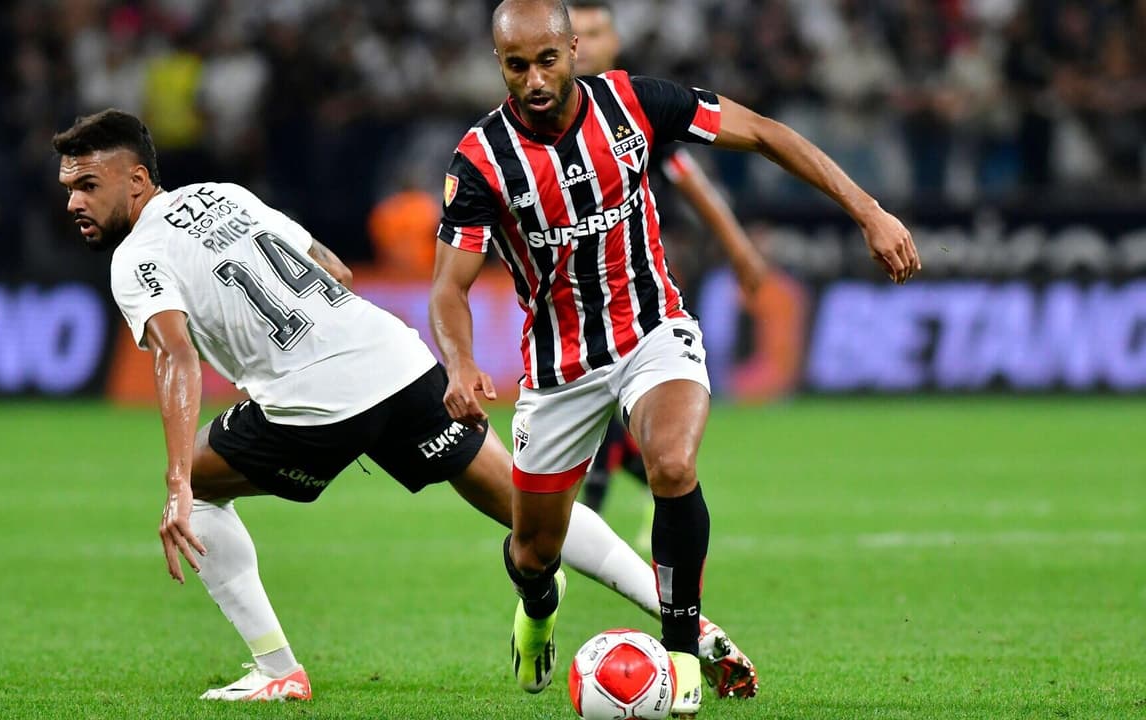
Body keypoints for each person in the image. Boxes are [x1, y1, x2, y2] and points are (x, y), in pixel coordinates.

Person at [51, 109, 757, 702]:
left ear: (137, 180)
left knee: (199, 491)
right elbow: (334, 267)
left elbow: (176, 356)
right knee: (529, 505)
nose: (75, 202)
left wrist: (176, 480)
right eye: (68, 189)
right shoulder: (226, 194)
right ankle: (693, 628)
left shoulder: (133, 258)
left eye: (88, 185)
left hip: (312, 408)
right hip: (394, 359)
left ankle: (277, 671)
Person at [430, 1, 920, 716]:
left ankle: (683, 657)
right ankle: (539, 602)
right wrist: (459, 363)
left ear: (572, 50)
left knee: (672, 464)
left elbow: (765, 133)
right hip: (559, 367)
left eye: (547, 60)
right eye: (516, 66)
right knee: (534, 550)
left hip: (652, 330)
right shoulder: (480, 160)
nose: (534, 80)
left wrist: (868, 210)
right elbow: (450, 285)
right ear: (498, 64)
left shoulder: (634, 103)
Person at [568, 0, 768, 546]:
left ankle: (601, 508)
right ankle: (622, 493)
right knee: (609, 418)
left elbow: (689, 178)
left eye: (596, 32)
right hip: (569, 302)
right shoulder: (536, 118)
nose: (586, 44)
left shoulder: (629, 111)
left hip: (638, 289)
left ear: (613, 43)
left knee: (625, 410)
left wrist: (740, 249)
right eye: (578, 33)